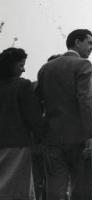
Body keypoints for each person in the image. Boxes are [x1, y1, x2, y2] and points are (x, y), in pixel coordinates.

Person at [36, 28, 92, 200]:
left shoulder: (45, 69)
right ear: (77, 42)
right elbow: (85, 100)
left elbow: (38, 103)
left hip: (51, 137)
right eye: (90, 43)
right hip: (78, 137)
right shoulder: (83, 65)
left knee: (55, 184)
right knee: (82, 186)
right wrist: (90, 135)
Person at [0, 47, 43, 200]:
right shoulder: (22, 86)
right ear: (10, 66)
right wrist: (43, 137)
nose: (24, 70)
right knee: (19, 189)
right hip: (17, 145)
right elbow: (34, 117)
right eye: (21, 65)